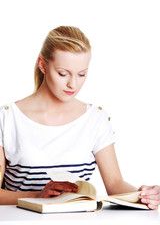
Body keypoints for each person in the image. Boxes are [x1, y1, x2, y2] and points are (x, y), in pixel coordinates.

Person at [0, 26, 160, 209]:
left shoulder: (95, 119)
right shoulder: (7, 118)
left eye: (82, 74)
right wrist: (39, 195)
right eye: (63, 73)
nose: (72, 84)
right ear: (43, 65)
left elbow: (115, 184)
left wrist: (143, 196)